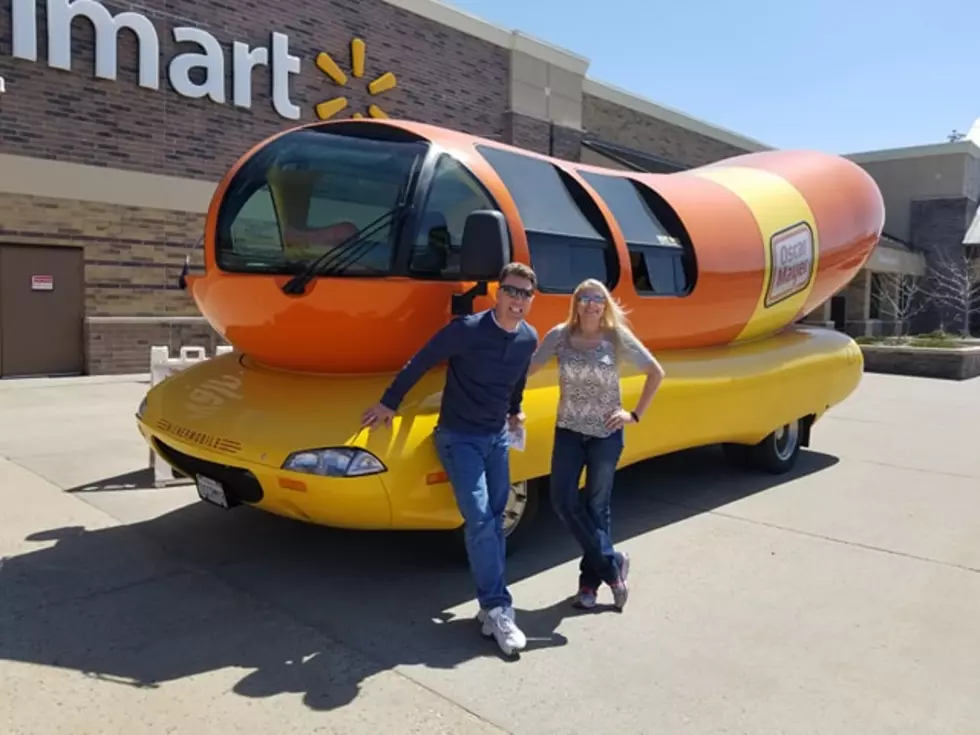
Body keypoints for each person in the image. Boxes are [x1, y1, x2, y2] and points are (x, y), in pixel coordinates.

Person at [360, 262, 539, 655]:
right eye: (511, 291)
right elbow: (421, 361)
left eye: (525, 294)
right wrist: (389, 403)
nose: (517, 300)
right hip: (459, 438)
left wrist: (515, 410)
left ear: (532, 299)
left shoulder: (528, 338)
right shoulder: (468, 330)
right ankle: (496, 608)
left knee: (496, 516)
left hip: (496, 439)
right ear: (498, 292)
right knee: (478, 517)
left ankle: (491, 604)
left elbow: (516, 379)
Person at [528, 278, 665, 611]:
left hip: (606, 434)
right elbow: (527, 369)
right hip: (569, 431)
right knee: (562, 500)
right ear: (575, 303)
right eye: (584, 298)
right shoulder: (560, 336)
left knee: (596, 507)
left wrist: (634, 414)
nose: (591, 304)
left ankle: (588, 585)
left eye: (597, 299)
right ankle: (612, 565)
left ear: (605, 305)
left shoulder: (615, 337)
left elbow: (656, 372)